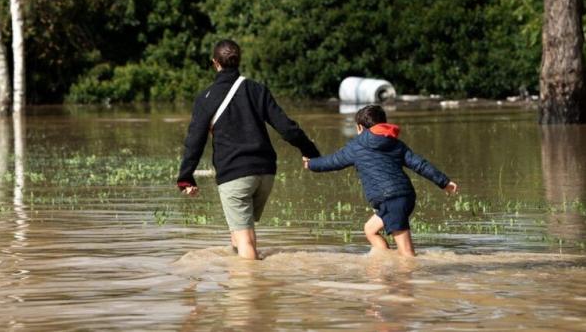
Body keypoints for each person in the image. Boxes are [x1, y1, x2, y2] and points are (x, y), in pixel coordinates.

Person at [177, 39, 320, 259]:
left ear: (215, 63)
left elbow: (194, 141)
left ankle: (249, 289)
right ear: (238, 60)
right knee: (241, 233)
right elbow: (286, 127)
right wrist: (310, 151)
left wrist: (185, 177)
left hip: (235, 175)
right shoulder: (256, 89)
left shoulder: (206, 98)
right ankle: (244, 280)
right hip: (266, 173)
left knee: (245, 241)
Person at [303, 104, 458, 257]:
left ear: (360, 128)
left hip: (391, 199)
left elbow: (332, 162)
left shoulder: (356, 146)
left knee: (407, 255)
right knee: (370, 229)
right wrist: (444, 182)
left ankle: (406, 279)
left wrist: (310, 164)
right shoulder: (396, 144)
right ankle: (385, 262)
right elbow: (420, 165)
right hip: (404, 196)